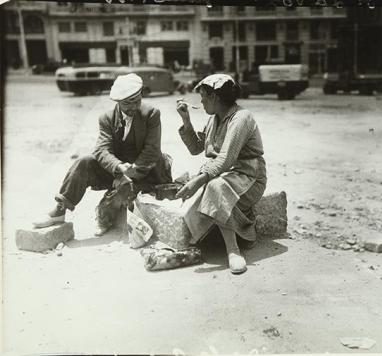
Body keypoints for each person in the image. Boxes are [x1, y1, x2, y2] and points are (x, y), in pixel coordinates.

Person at [33, 73, 172, 235]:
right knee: (84, 162)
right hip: (119, 173)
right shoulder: (106, 118)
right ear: (118, 102)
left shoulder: (152, 114)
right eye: (128, 103)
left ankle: (106, 215)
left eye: (137, 101)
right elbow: (101, 150)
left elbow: (152, 151)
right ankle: (60, 210)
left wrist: (131, 174)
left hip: (147, 173)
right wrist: (119, 168)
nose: (134, 107)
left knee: (122, 193)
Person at [176, 73, 267, 274]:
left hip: (250, 176)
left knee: (214, 187)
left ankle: (233, 250)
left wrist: (199, 181)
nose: (200, 101)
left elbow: (226, 159)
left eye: (203, 96)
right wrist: (186, 120)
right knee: (208, 188)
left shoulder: (241, 118)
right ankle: (245, 230)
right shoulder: (214, 120)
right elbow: (196, 148)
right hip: (225, 176)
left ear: (215, 97)